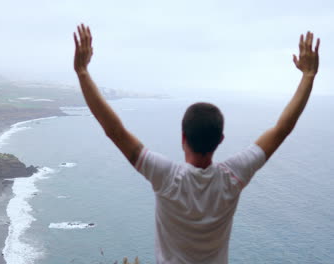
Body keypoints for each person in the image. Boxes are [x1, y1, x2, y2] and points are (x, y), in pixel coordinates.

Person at [73, 24, 320, 264]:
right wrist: (308, 75)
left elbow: (114, 131)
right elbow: (281, 130)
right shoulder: (231, 178)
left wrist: (82, 72)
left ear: (183, 137)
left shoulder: (167, 177)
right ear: (220, 140)